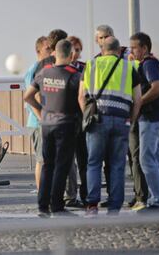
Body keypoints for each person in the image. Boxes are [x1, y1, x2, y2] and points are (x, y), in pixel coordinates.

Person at [79, 37, 142, 216]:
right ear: (118, 50)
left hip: (97, 120)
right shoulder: (129, 68)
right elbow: (138, 99)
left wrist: (87, 115)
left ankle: (92, 204)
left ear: (103, 49)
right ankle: (114, 206)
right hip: (121, 120)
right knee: (117, 164)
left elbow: (81, 96)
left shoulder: (91, 65)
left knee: (94, 163)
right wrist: (131, 120)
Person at [24, 39, 80, 217]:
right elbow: (82, 98)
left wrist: (42, 113)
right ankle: (57, 205)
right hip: (66, 124)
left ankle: (42, 205)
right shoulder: (74, 74)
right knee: (62, 166)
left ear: (55, 53)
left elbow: (28, 96)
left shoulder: (43, 72)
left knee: (47, 165)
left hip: (46, 125)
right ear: (71, 55)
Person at [130, 32, 159, 213]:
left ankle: (157, 200)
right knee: (158, 159)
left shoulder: (148, 64)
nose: (132, 51)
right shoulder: (151, 63)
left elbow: (157, 88)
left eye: (134, 48)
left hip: (151, 119)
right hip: (157, 117)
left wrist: (139, 101)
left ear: (144, 48)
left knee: (147, 159)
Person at [24, 36, 52, 192]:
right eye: (48, 48)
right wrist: (42, 118)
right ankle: (43, 194)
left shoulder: (48, 68)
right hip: (38, 122)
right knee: (41, 160)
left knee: (48, 159)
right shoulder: (34, 70)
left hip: (46, 121)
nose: (51, 51)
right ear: (38, 50)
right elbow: (31, 96)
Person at [63, 36, 88, 208]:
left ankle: (86, 194)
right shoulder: (60, 69)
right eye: (73, 49)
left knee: (84, 159)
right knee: (68, 160)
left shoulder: (86, 68)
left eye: (78, 50)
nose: (75, 53)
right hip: (67, 120)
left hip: (82, 120)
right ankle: (70, 194)